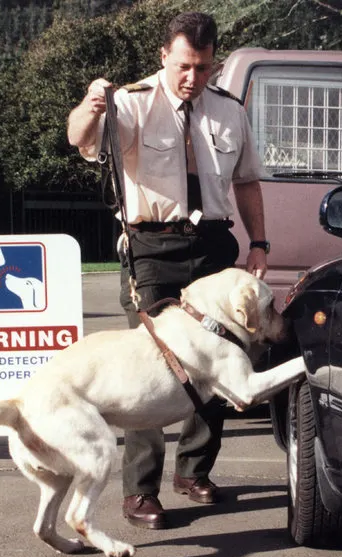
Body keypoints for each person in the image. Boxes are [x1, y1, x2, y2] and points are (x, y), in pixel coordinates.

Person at [66, 11, 270, 529]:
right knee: (152, 369)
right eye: (184, 66)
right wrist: (91, 105)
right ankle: (140, 491)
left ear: (214, 64)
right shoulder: (132, 101)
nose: (192, 78)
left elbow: (247, 182)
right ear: (164, 56)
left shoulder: (229, 110)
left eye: (202, 68)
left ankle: (195, 471)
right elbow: (79, 140)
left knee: (221, 359)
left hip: (212, 246)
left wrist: (260, 243)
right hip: (151, 245)